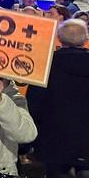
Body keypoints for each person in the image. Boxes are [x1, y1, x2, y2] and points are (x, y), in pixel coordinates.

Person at [26, 19, 89, 178]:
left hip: (54, 141)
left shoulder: (45, 65)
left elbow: (34, 105)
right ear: (85, 38)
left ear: (59, 38)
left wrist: (31, 142)